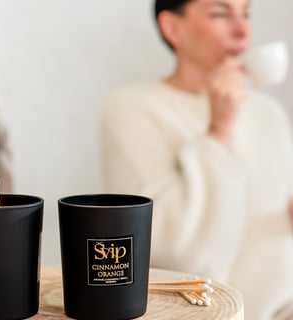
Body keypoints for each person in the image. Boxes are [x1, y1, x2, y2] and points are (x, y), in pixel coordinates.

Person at [100, 0, 293, 319]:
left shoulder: (267, 113)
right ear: (173, 28)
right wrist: (220, 130)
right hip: (195, 311)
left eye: (246, 13)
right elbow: (163, 247)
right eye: (220, 13)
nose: (242, 30)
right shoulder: (132, 109)